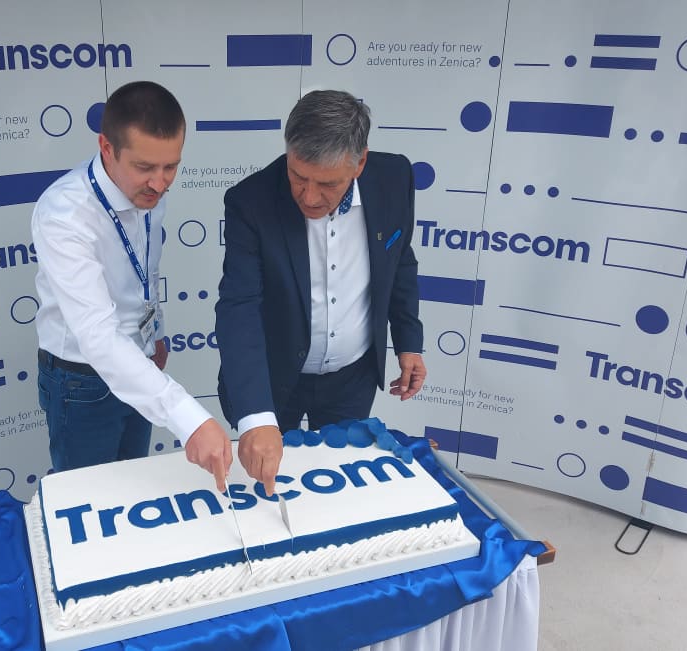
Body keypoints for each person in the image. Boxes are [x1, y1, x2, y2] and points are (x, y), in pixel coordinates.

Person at [215, 89, 427, 494]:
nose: (309, 197)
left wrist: (408, 342)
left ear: (360, 163)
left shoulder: (395, 178)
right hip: (275, 379)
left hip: (353, 378)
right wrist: (257, 418)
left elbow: (399, 259)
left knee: (342, 490)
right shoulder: (250, 201)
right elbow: (239, 306)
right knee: (269, 493)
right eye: (298, 176)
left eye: (327, 183)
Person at [32, 81, 233, 489]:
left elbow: (144, 270)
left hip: (140, 363)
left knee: (134, 490)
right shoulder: (65, 215)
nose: (160, 183)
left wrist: (153, 333)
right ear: (107, 148)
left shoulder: (149, 194)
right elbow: (98, 336)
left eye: (171, 167)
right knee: (91, 501)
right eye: (145, 167)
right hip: (82, 381)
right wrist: (190, 419)